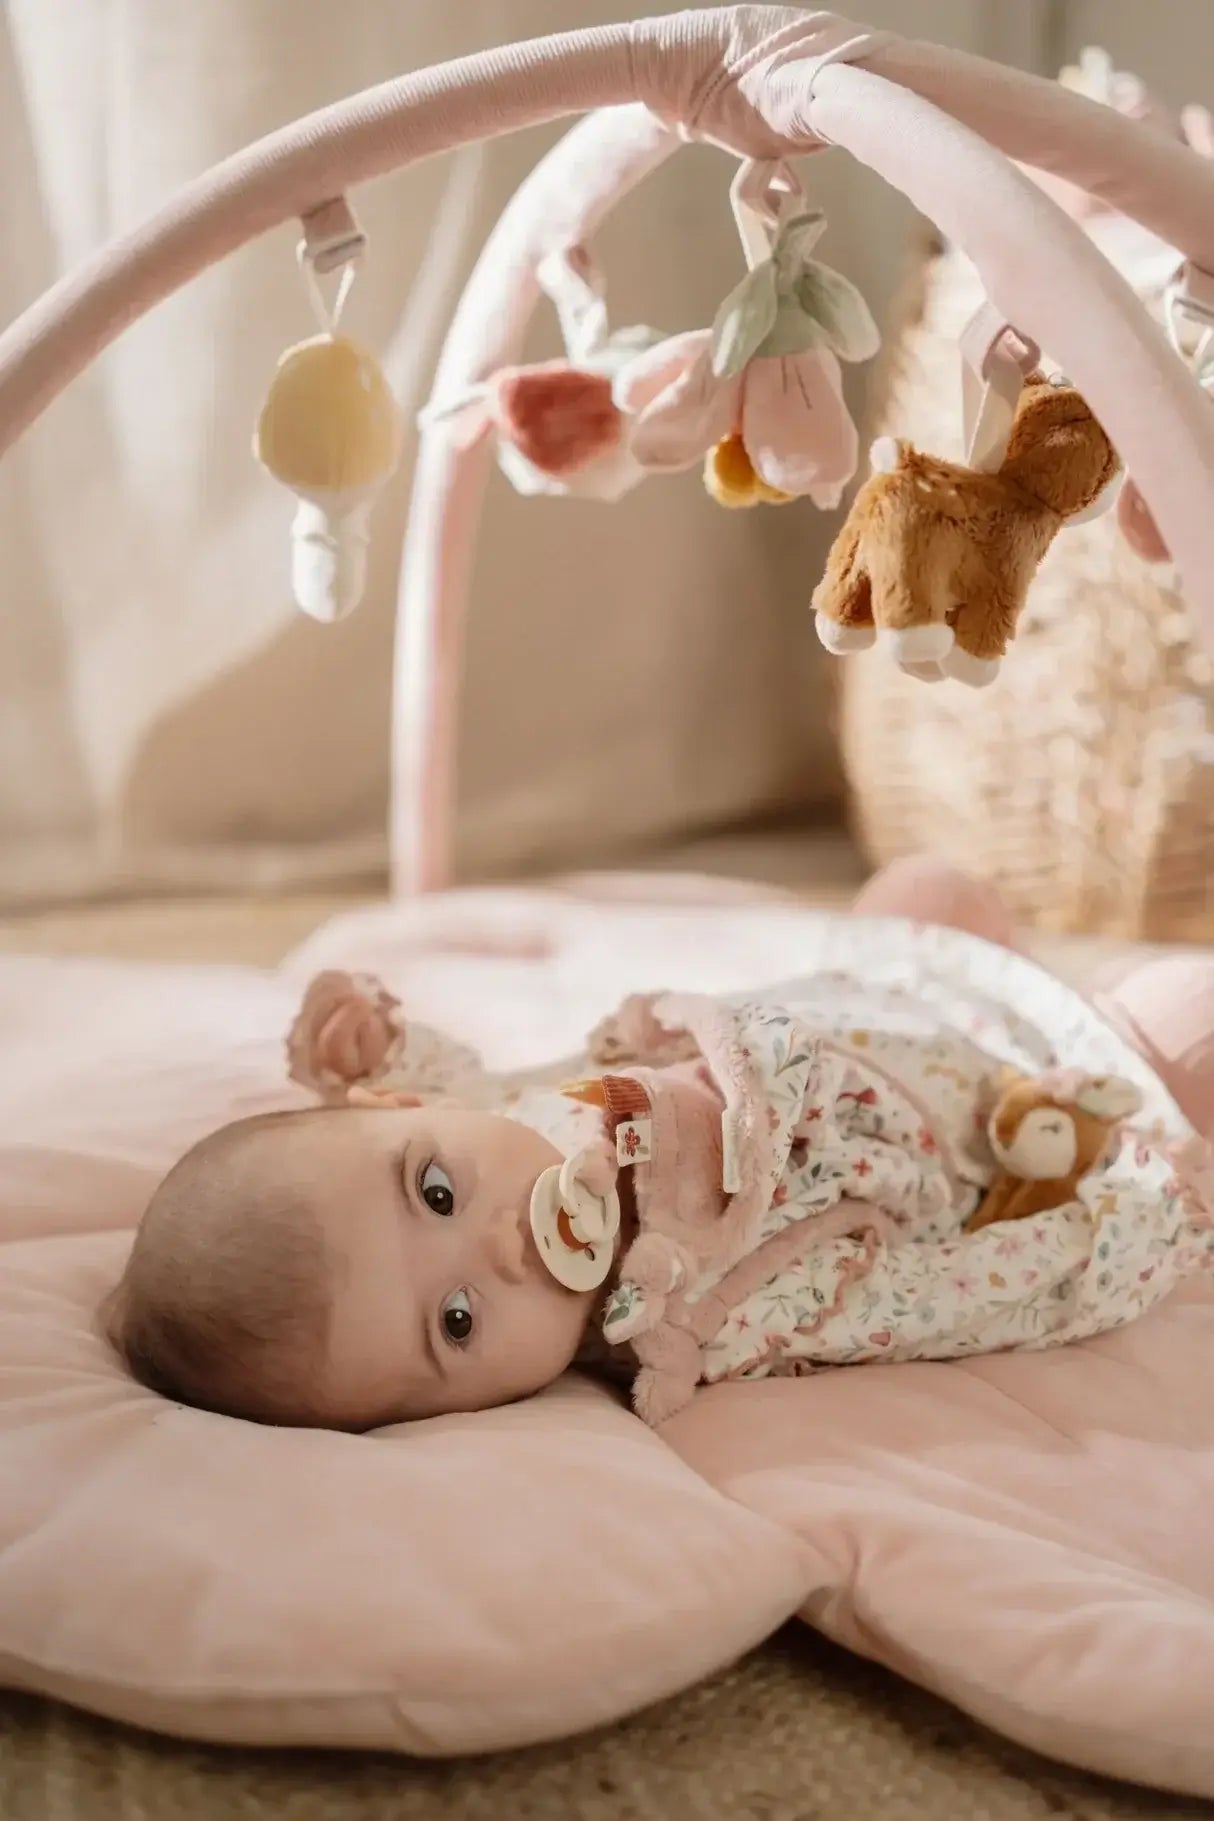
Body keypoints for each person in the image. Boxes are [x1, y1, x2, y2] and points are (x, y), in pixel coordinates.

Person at [105, 859, 1214, 1430]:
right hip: (1002, 1108)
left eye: (433, 1191)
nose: (496, 1249)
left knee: (932, 897)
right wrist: (1120, 1228)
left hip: (868, 1005)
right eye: (455, 1323)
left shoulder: (501, 1116)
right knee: (1183, 1019)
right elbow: (944, 1296)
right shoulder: (704, 1315)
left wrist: (375, 1041)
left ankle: (944, 943)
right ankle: (1125, 1032)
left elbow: (459, 1086)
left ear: (395, 1115)